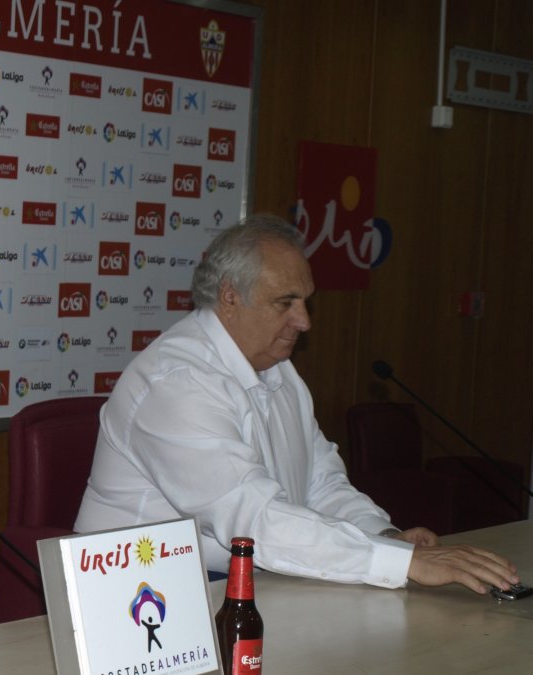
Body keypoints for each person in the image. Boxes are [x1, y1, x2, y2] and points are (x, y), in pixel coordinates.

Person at [75, 214, 519, 594]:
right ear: (230, 297)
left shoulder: (276, 368)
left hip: (237, 581)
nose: (303, 322)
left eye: (306, 302)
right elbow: (254, 523)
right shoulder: (175, 384)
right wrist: (400, 565)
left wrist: (386, 537)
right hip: (143, 595)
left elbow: (320, 484)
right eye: (285, 303)